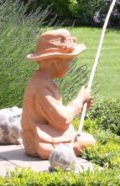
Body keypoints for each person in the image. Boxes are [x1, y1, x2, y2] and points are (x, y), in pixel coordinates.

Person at [21, 29, 96, 159]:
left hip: (39, 139)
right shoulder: (41, 88)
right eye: (68, 61)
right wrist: (79, 99)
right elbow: (62, 120)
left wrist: (80, 106)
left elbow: (54, 116)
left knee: (85, 139)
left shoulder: (42, 81)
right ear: (55, 63)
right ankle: (64, 151)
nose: (69, 66)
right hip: (37, 144)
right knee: (88, 141)